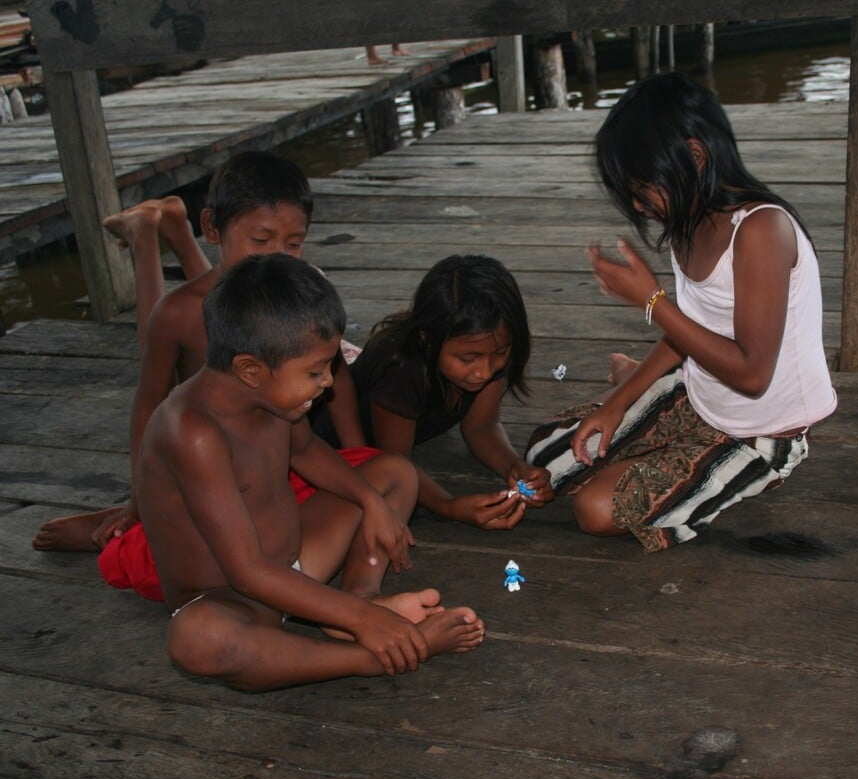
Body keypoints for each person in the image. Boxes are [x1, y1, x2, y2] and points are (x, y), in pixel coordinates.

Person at [137, 253, 484, 691]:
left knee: (395, 474)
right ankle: (368, 654)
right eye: (315, 372)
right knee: (197, 640)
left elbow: (307, 450)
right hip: (234, 599)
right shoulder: (193, 432)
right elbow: (246, 571)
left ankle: (360, 594)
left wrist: (368, 501)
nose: (329, 384)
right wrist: (367, 623)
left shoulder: (272, 397)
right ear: (250, 369)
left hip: (294, 565)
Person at [524, 73, 837, 552]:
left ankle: (745, 474)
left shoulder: (760, 232)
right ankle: (641, 396)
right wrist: (618, 404)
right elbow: (688, 332)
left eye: (643, 187)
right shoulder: (687, 220)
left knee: (595, 509)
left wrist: (652, 301)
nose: (635, 204)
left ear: (694, 157)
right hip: (699, 393)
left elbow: (752, 374)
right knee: (548, 457)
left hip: (762, 433)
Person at [31, 151, 312, 565]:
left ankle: (170, 229)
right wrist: (138, 499)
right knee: (178, 315)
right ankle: (145, 237)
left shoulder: (301, 295)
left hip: (267, 464)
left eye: (293, 244)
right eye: (260, 241)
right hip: (204, 468)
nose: (275, 258)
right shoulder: (182, 313)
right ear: (212, 228)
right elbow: (149, 403)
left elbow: (328, 399)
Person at [312, 254, 554, 531]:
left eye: (500, 353)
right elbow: (395, 462)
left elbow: (481, 427)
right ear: (428, 339)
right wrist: (448, 506)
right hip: (333, 447)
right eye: (467, 359)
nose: (485, 372)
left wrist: (515, 468)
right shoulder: (400, 365)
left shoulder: (490, 348)